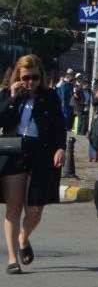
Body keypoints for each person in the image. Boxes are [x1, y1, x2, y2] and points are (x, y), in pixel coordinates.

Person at [0, 56, 67, 273]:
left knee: (36, 208)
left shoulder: (50, 97)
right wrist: (12, 98)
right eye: (26, 77)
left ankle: (23, 237)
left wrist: (61, 147)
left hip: (42, 151)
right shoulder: (8, 95)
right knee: (14, 206)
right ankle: (12, 258)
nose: (31, 82)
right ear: (18, 76)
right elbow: (3, 121)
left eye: (35, 77)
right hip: (14, 151)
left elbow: (59, 125)